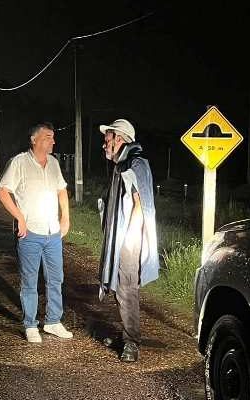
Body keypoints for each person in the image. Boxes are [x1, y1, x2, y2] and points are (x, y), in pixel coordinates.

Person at [0, 122, 73, 343]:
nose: (53, 141)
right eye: (48, 137)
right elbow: (2, 192)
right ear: (34, 139)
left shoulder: (54, 164)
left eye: (53, 137)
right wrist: (19, 217)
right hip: (30, 232)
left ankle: (53, 321)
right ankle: (30, 324)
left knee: (56, 279)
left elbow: (61, 191)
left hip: (53, 232)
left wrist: (65, 217)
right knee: (29, 280)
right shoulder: (19, 162)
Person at [97, 119, 159, 362]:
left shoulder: (135, 164)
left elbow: (139, 205)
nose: (104, 145)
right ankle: (126, 335)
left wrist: (128, 241)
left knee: (126, 289)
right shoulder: (121, 164)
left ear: (119, 139)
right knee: (119, 287)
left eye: (107, 140)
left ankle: (132, 342)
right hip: (120, 237)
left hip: (129, 240)